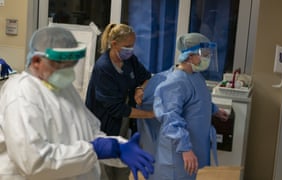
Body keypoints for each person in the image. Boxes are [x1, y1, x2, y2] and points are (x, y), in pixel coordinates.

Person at [0, 26, 154, 180]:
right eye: (61, 65)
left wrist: (118, 147)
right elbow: (33, 161)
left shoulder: (64, 89)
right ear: (36, 61)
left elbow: (90, 133)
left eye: (71, 64)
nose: (68, 70)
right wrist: (94, 150)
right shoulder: (21, 94)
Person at [139, 32, 228, 180]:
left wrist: (215, 111)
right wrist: (185, 148)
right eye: (204, 54)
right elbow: (170, 118)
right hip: (178, 153)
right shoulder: (175, 82)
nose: (208, 58)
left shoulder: (195, 76)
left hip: (194, 146)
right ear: (190, 55)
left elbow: (199, 100)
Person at [85, 23, 154, 180]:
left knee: (123, 167)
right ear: (114, 44)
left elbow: (146, 77)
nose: (130, 50)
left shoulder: (130, 60)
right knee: (105, 171)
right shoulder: (103, 68)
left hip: (123, 122)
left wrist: (140, 89)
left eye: (132, 46)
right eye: (127, 46)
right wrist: (149, 114)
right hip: (104, 124)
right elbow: (116, 108)